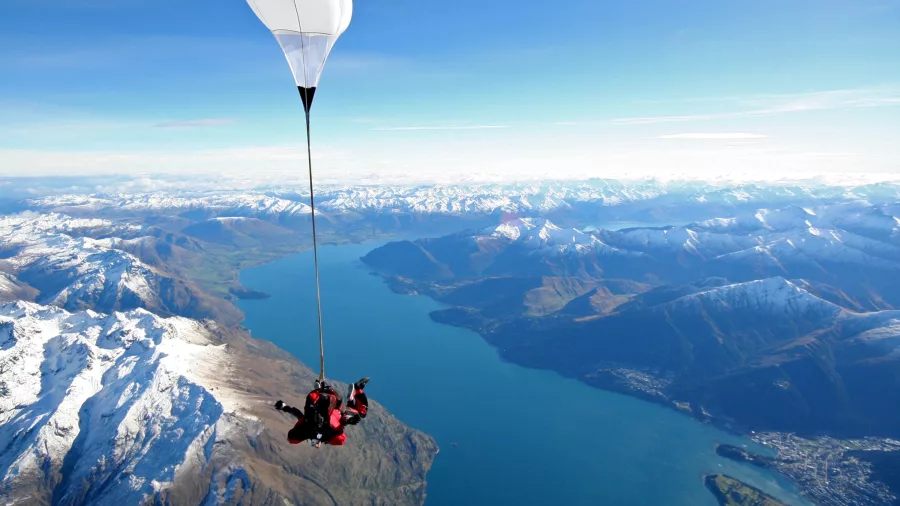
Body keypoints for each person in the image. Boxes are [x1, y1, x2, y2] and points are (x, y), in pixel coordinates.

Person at [275, 378, 369, 447]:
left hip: (333, 407)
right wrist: (284, 407)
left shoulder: (319, 431)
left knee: (359, 414)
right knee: (356, 413)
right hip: (329, 403)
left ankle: (356, 391)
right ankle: (355, 392)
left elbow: (298, 414)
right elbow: (297, 413)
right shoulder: (307, 426)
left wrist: (285, 407)